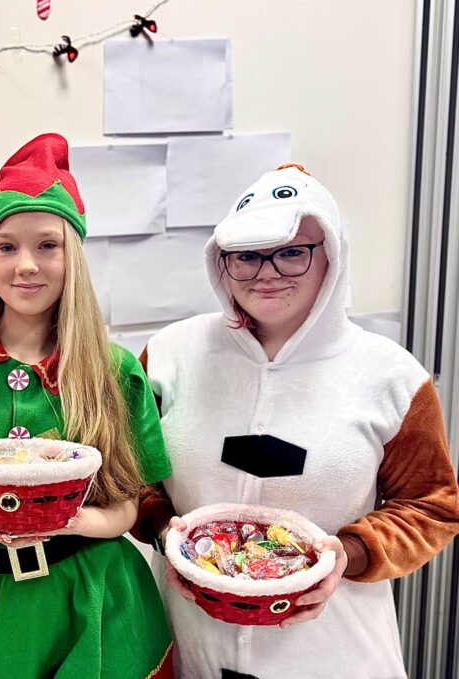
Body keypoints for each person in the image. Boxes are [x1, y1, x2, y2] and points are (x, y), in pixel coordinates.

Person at [133, 164, 459, 678]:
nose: (267, 273)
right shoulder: (171, 355)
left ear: (331, 253)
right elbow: (132, 476)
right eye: (247, 256)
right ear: (222, 264)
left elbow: (431, 506)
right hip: (190, 638)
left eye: (291, 253)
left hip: (331, 649)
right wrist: (161, 532)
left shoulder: (392, 377)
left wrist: (348, 555)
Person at [0, 133, 174, 678]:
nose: (26, 265)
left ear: (74, 256)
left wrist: (70, 520)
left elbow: (132, 504)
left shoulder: (114, 371)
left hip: (97, 601)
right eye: (7, 246)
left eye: (48, 244)